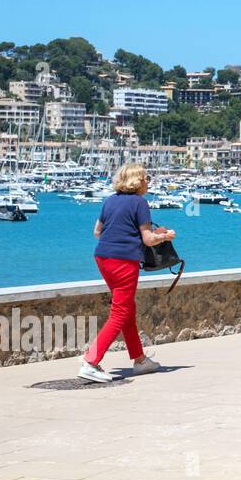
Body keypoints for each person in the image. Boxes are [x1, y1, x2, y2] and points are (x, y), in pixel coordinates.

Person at [79, 162, 174, 382]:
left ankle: (140, 360)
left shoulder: (110, 201)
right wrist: (165, 235)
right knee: (120, 312)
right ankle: (90, 362)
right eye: (146, 178)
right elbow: (148, 239)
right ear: (137, 181)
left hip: (103, 258)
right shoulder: (140, 203)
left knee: (127, 308)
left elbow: (97, 232)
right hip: (124, 262)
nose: (148, 182)